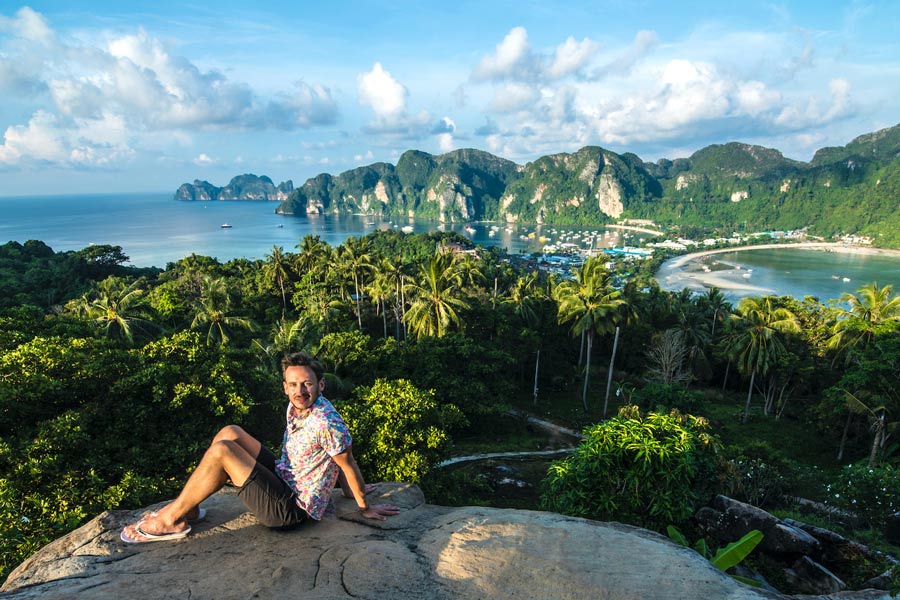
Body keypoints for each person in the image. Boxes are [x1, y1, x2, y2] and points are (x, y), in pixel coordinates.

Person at [121, 352, 399, 543]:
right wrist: (349, 491)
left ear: (321, 384)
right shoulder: (296, 405)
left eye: (307, 384)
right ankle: (188, 509)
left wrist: (363, 505)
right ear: (285, 387)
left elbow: (345, 461)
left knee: (223, 452)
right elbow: (335, 458)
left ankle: (169, 520)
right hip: (284, 479)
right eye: (293, 384)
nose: (300, 391)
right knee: (230, 432)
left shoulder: (326, 420)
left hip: (291, 510)